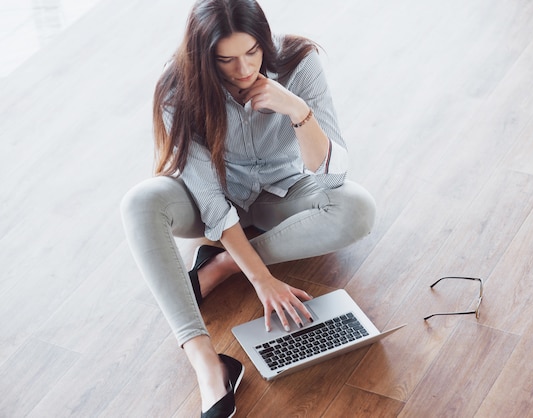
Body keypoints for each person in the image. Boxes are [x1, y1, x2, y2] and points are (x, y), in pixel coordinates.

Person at [120, 0, 376, 416]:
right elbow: (211, 204)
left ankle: (221, 264)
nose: (243, 70)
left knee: (358, 209)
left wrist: (296, 108)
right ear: (204, 57)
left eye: (253, 52)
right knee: (139, 202)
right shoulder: (178, 89)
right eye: (226, 60)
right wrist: (263, 280)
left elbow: (330, 175)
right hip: (210, 201)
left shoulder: (298, 61)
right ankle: (209, 365)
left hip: (282, 193)